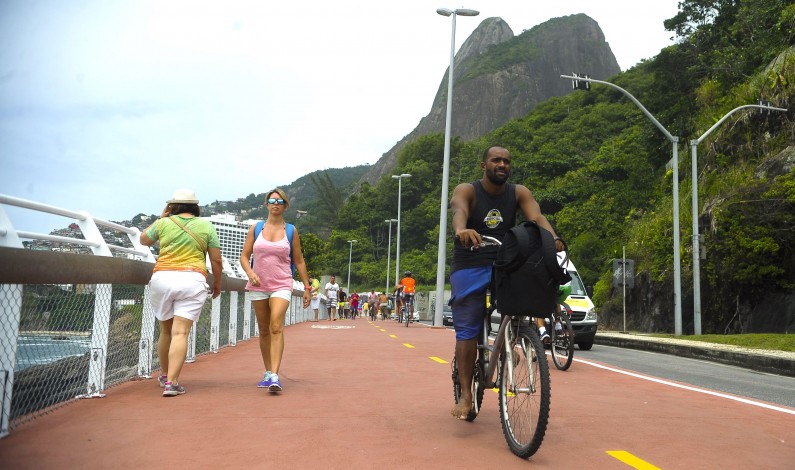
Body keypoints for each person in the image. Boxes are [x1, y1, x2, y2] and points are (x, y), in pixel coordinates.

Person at [448, 145, 563, 420]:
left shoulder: (518, 192)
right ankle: (466, 395)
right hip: (470, 262)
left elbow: (536, 216)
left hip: (505, 261)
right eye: (496, 160)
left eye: (506, 161)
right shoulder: (469, 190)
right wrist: (461, 230)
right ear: (483, 165)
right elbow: (458, 210)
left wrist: (552, 238)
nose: (502, 164)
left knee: (525, 298)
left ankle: (515, 338)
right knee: (467, 326)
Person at [140, 188, 223, 397]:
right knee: (180, 333)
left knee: (166, 331)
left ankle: (164, 374)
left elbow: (143, 240)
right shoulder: (206, 226)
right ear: (196, 206)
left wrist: (161, 217)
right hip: (192, 280)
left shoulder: (163, 223)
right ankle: (172, 383)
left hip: (162, 279)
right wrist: (218, 283)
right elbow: (216, 260)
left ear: (172, 206)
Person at [240, 188, 311, 393]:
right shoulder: (256, 228)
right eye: (272, 200)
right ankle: (268, 371)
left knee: (276, 325)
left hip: (282, 283)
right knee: (263, 329)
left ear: (285, 206)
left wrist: (306, 287)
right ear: (266, 204)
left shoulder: (291, 230)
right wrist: (250, 272)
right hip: (258, 285)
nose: (275, 204)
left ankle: (275, 375)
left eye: (280, 201)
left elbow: (298, 260)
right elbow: (244, 256)